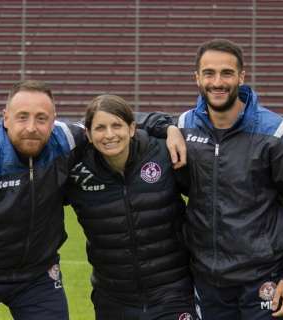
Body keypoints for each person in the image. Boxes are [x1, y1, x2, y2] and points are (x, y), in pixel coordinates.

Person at [0, 80, 178, 320]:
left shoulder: (66, 140)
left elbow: (112, 119)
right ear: (6, 117)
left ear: (53, 119)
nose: (31, 127)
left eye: (41, 118)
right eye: (22, 116)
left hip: (36, 277)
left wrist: (168, 128)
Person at [171, 39, 283, 319]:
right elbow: (127, 125)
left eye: (226, 73)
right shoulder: (182, 127)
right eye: (209, 73)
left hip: (262, 279)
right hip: (206, 280)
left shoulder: (277, 133)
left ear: (241, 77)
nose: (217, 82)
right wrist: (164, 127)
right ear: (197, 78)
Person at [65, 95, 195, 320]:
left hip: (173, 292)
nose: (109, 135)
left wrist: (170, 127)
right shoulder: (76, 171)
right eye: (100, 128)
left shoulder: (163, 153)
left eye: (117, 125)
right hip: (113, 299)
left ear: (132, 128)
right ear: (87, 134)